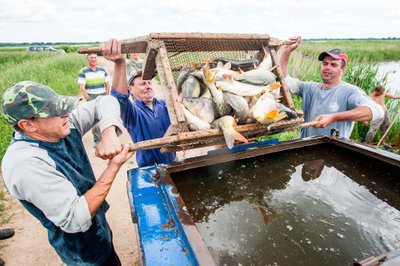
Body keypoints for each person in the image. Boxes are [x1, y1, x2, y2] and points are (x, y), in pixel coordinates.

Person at [1, 81, 134, 265]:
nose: (66, 114)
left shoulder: (61, 126)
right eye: (55, 111)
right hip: (81, 251)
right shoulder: (24, 163)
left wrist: (108, 132)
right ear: (28, 125)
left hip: (99, 231)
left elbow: (105, 101)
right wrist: (113, 167)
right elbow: (75, 218)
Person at [279, 37, 383, 139]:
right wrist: (286, 52)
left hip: (333, 153)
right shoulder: (310, 88)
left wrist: (334, 117)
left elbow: (377, 111)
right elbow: (285, 81)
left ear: (343, 69)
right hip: (306, 148)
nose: (327, 67)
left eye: (333, 65)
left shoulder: (350, 92)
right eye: (325, 63)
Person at [102, 39, 176, 167]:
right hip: (149, 168)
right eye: (142, 83)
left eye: (149, 83)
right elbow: (119, 98)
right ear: (130, 89)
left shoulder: (164, 105)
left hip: (173, 162)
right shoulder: (132, 112)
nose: (148, 86)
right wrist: (120, 63)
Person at [78, 53, 111, 145]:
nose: (93, 59)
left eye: (95, 57)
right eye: (91, 57)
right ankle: (97, 140)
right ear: (87, 59)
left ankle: (106, 137)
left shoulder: (102, 70)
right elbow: (82, 87)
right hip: (92, 96)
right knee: (95, 120)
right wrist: (88, 99)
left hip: (103, 94)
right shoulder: (83, 71)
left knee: (104, 117)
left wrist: (107, 95)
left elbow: (107, 84)